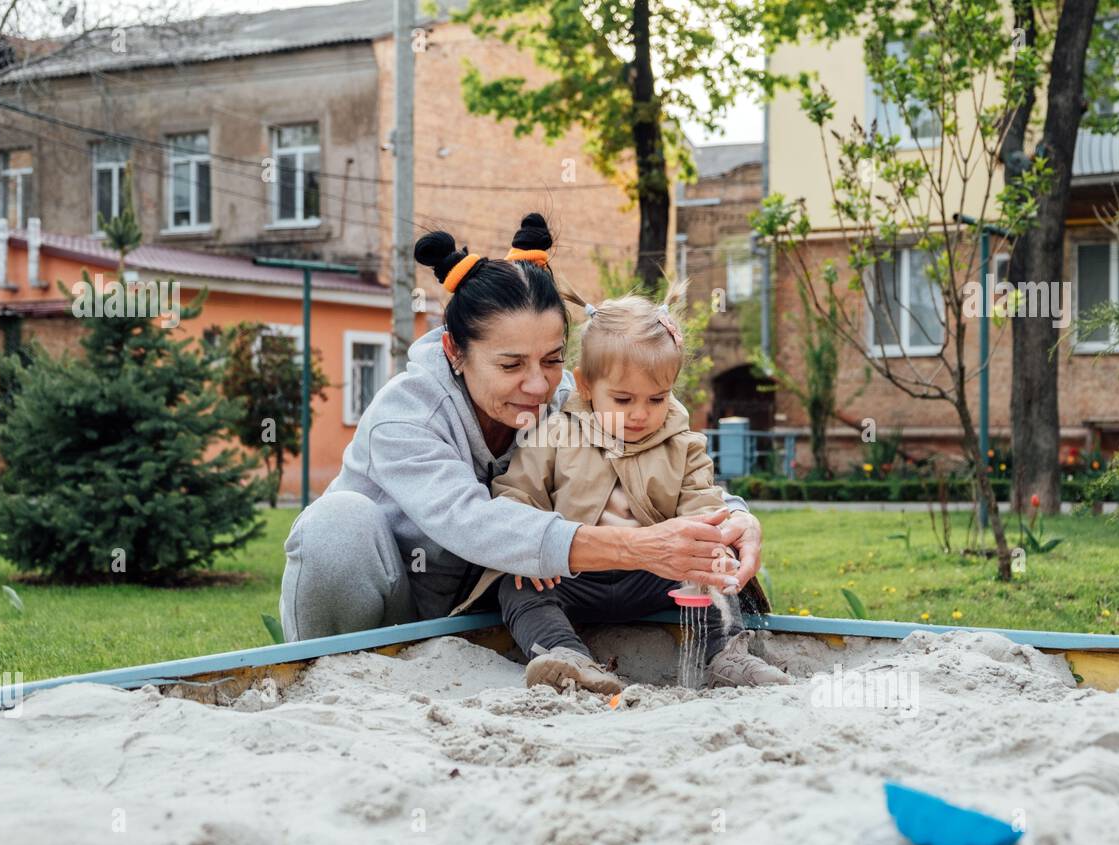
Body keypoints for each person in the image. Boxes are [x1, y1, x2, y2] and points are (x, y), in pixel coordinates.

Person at [279, 212, 766, 665]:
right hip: (403, 611)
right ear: (455, 351)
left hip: (499, 615)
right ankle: (326, 670)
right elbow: (474, 523)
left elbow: (658, 445)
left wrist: (734, 515)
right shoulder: (406, 417)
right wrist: (638, 547)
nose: (538, 386)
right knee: (336, 522)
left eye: (552, 360)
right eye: (510, 365)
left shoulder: (571, 400)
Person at [450, 280, 791, 694]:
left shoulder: (683, 443)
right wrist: (531, 555)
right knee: (517, 588)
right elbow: (516, 494)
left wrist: (712, 540)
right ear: (586, 386)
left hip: (654, 573)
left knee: (710, 572)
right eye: (624, 399)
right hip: (573, 575)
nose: (640, 414)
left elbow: (703, 502)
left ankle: (727, 655)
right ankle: (567, 656)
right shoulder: (554, 434)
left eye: (657, 398)